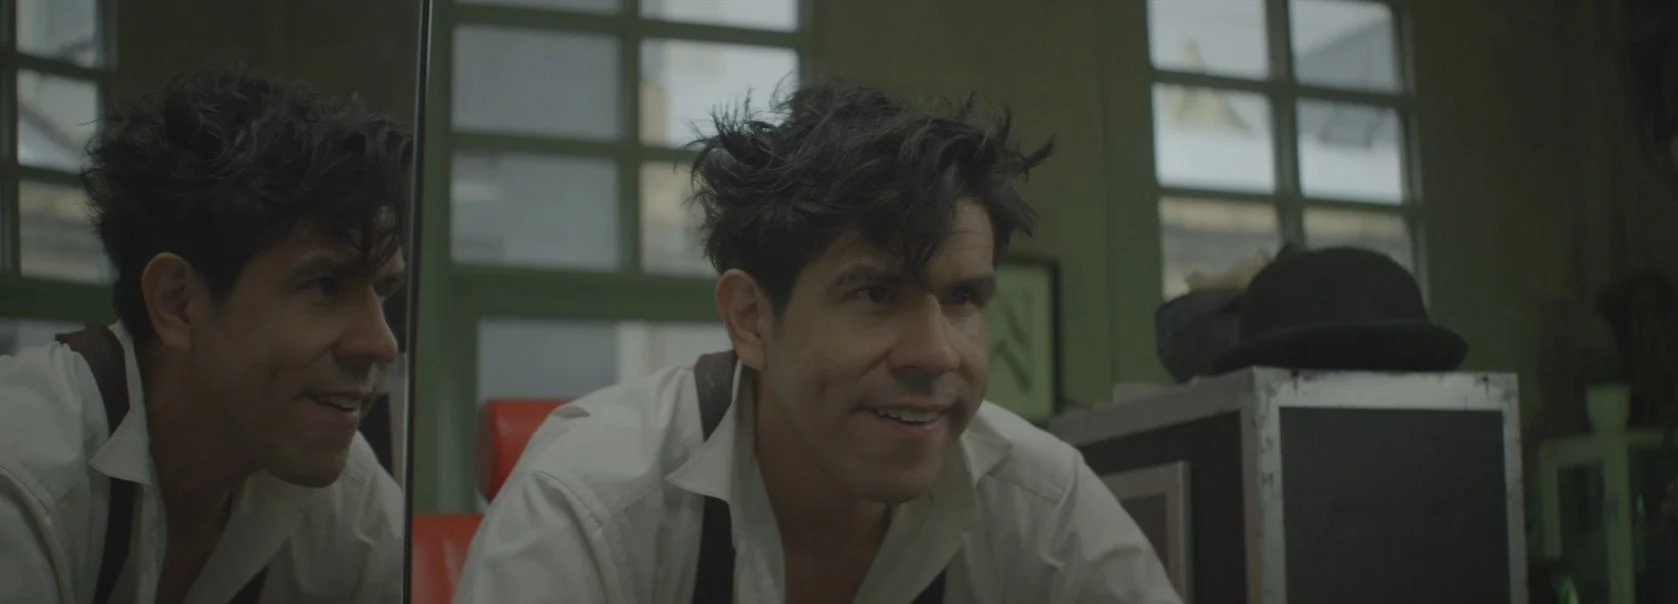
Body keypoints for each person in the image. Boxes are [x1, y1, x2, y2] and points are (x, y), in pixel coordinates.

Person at [455, 80, 1181, 603]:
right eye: (875, 294)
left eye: (962, 298)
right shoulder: (589, 508)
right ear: (750, 319)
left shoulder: (1040, 502)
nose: (935, 355)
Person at [0, 67, 411, 604]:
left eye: (383, 291)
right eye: (326, 285)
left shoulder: (343, 490)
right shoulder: (24, 484)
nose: (382, 345)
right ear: (178, 303)